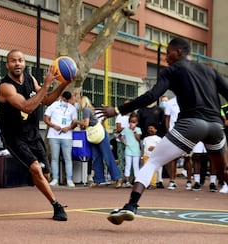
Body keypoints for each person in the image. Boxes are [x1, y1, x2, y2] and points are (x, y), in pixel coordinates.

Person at [95, 37, 228, 225]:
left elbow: (152, 95)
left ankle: (131, 206)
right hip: (216, 126)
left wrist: (118, 110)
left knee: (153, 161)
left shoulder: (172, 70)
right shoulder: (210, 70)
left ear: (179, 52)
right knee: (223, 172)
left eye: (168, 52)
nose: (166, 57)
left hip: (192, 123)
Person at [0, 49, 70, 221]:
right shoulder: (5, 87)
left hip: (32, 133)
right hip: (13, 136)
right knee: (36, 168)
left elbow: (46, 100)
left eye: (20, 60)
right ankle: (56, 205)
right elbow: (27, 107)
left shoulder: (30, 79)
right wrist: (45, 85)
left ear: (24, 63)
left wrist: (64, 83)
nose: (17, 63)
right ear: (7, 64)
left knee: (45, 175)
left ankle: (34, 175)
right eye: (13, 61)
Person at [77, 96, 122, 188]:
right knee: (96, 157)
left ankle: (117, 177)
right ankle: (98, 179)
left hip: (97, 134)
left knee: (106, 156)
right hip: (95, 134)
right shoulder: (89, 110)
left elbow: (85, 123)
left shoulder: (86, 110)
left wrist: (76, 121)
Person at [44, 91, 77, 188]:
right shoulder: (54, 105)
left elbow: (75, 121)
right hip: (54, 135)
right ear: (61, 97)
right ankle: (55, 178)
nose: (65, 101)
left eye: (67, 100)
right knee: (54, 158)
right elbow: (46, 118)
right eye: (64, 99)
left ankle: (69, 179)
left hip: (67, 135)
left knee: (68, 158)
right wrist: (53, 125)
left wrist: (69, 127)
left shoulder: (72, 108)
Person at [118, 112, 141, 188]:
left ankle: (136, 181)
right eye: (131, 122)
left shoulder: (138, 129)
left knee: (135, 166)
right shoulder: (126, 129)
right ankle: (127, 181)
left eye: (134, 122)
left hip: (136, 151)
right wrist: (124, 141)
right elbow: (119, 136)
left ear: (137, 122)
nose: (132, 124)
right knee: (128, 165)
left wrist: (134, 131)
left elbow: (138, 139)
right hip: (128, 150)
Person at [113, 99, 130, 187]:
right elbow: (118, 128)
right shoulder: (120, 116)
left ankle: (129, 180)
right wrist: (128, 129)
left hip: (131, 142)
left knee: (129, 161)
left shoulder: (134, 116)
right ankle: (120, 179)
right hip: (121, 141)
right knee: (121, 160)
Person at [141, 123, 162, 189]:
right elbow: (143, 148)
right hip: (146, 156)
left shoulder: (158, 139)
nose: (150, 130)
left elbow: (161, 148)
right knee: (146, 171)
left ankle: (153, 184)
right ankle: (148, 183)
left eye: (152, 128)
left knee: (153, 171)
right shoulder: (145, 139)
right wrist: (142, 156)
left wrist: (154, 148)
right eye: (149, 128)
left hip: (154, 157)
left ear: (156, 130)